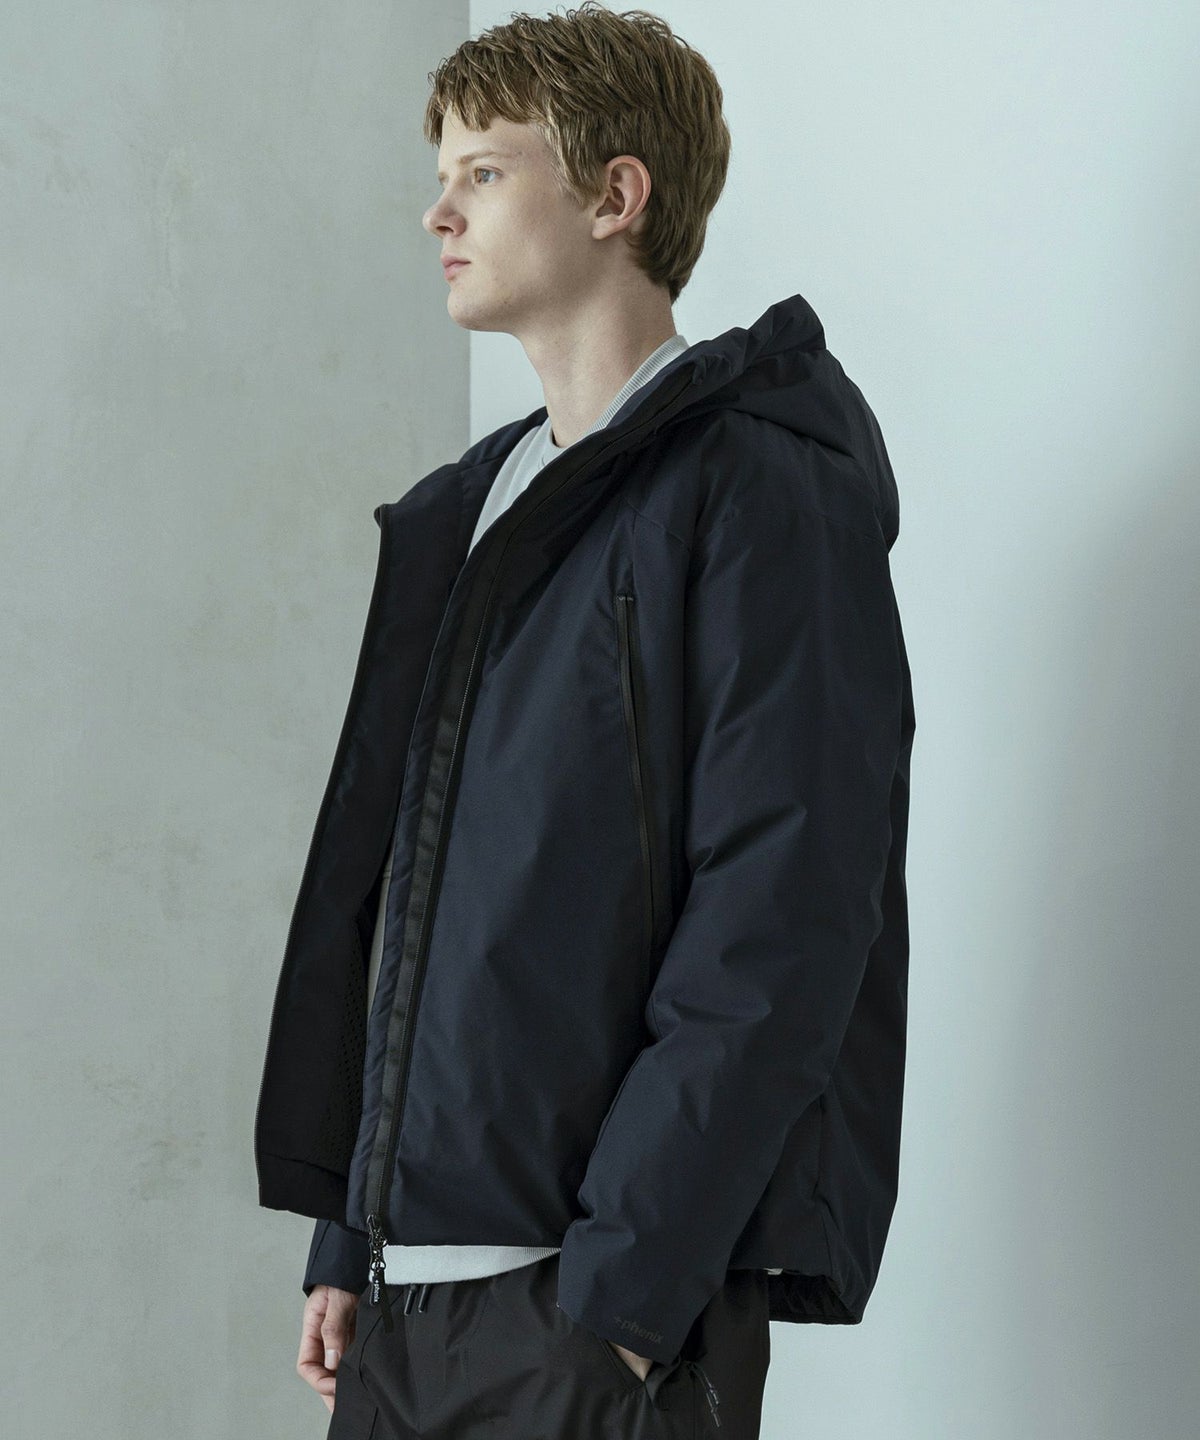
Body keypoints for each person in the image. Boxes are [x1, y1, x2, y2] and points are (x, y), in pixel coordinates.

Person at [254, 5, 916, 1437]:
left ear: (617, 196)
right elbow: (412, 893)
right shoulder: (469, 512)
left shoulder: (758, 490)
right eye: (442, 175)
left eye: (484, 172)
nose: (438, 212)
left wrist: (623, 1299)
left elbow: (785, 914)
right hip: (403, 1309)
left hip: (594, 1312)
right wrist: (351, 1232)